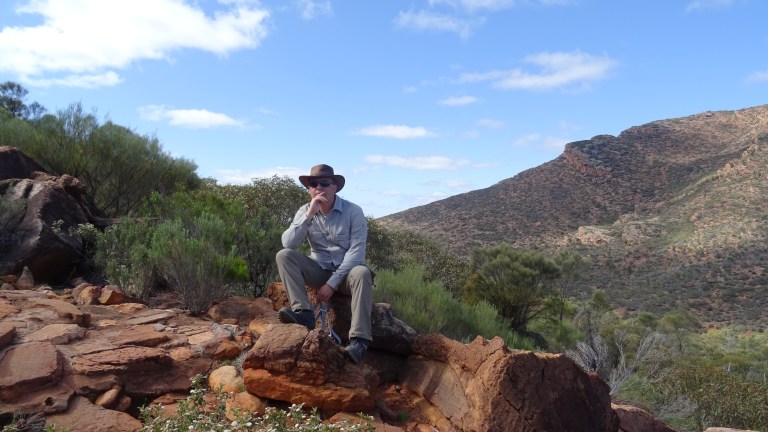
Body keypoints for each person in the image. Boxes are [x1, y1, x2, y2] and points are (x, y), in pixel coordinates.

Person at [275, 164, 374, 364]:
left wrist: (332, 284)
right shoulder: (305, 211)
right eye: (313, 184)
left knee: (362, 272)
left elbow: (356, 254)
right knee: (284, 255)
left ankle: (359, 342)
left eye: (324, 183)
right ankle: (303, 314)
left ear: (334, 187)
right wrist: (309, 214)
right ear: (309, 189)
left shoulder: (353, 212)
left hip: (347, 275)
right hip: (319, 271)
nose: (319, 187)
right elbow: (288, 243)